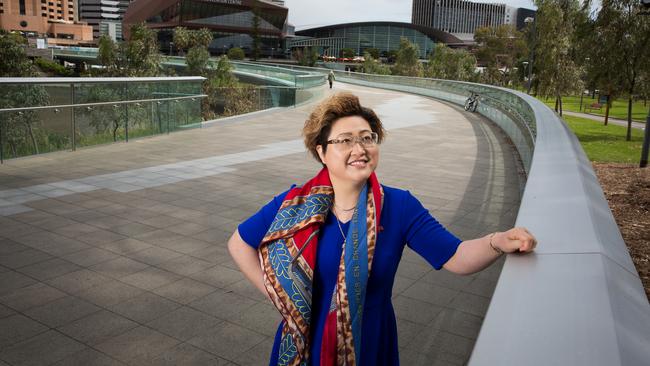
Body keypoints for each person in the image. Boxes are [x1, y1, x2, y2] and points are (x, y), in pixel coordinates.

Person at [228, 92, 537, 366]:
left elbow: (456, 255)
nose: (360, 148)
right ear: (322, 152)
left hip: (370, 343)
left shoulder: (399, 206)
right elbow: (239, 243)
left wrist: (497, 241)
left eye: (367, 137)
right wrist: (277, 295)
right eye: (345, 140)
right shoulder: (293, 204)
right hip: (304, 339)